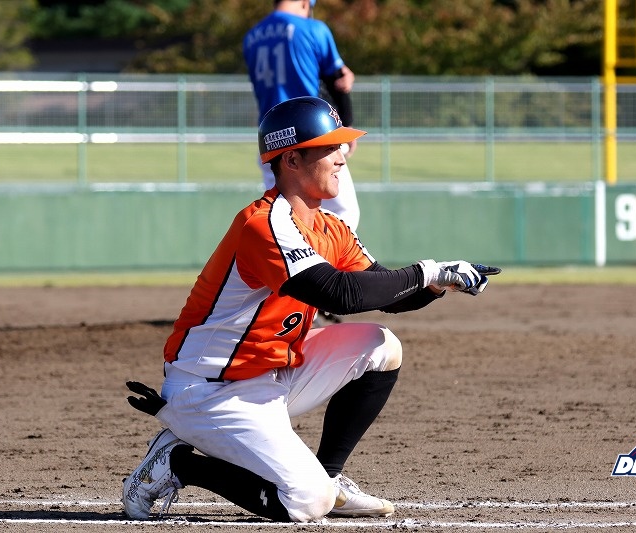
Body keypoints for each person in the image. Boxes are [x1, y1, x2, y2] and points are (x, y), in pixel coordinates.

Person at [121, 96, 495, 523]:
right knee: (307, 502)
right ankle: (177, 463)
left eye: (342, 145)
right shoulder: (264, 223)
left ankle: (330, 475)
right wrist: (427, 270)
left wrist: (437, 283)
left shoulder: (330, 226)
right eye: (330, 146)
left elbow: (388, 293)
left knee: (382, 346)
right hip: (211, 390)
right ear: (292, 159)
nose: (343, 156)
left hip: (272, 374)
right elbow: (339, 295)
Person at [243, 0, 361, 231]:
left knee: (284, 212)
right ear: (305, 3)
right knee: (343, 214)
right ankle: (319, 256)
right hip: (310, 132)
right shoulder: (313, 28)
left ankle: (293, 254)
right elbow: (338, 80)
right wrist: (346, 124)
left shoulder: (251, 37)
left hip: (271, 137)